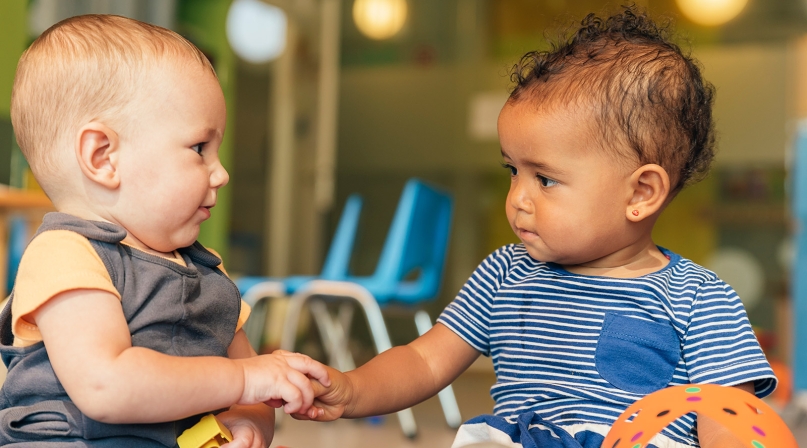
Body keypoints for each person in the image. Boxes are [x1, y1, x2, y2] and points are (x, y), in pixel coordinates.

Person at [294, 6, 777, 448]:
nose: (517, 199)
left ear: (640, 194)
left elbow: (727, 415)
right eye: (512, 171)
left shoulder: (699, 298)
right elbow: (424, 361)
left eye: (545, 179)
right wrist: (353, 388)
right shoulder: (505, 274)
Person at [0, 14, 328, 448]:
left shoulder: (209, 273)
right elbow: (106, 385)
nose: (221, 173)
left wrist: (249, 424)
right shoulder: (66, 255)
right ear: (103, 158)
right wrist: (242, 379)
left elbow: (251, 394)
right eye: (199, 149)